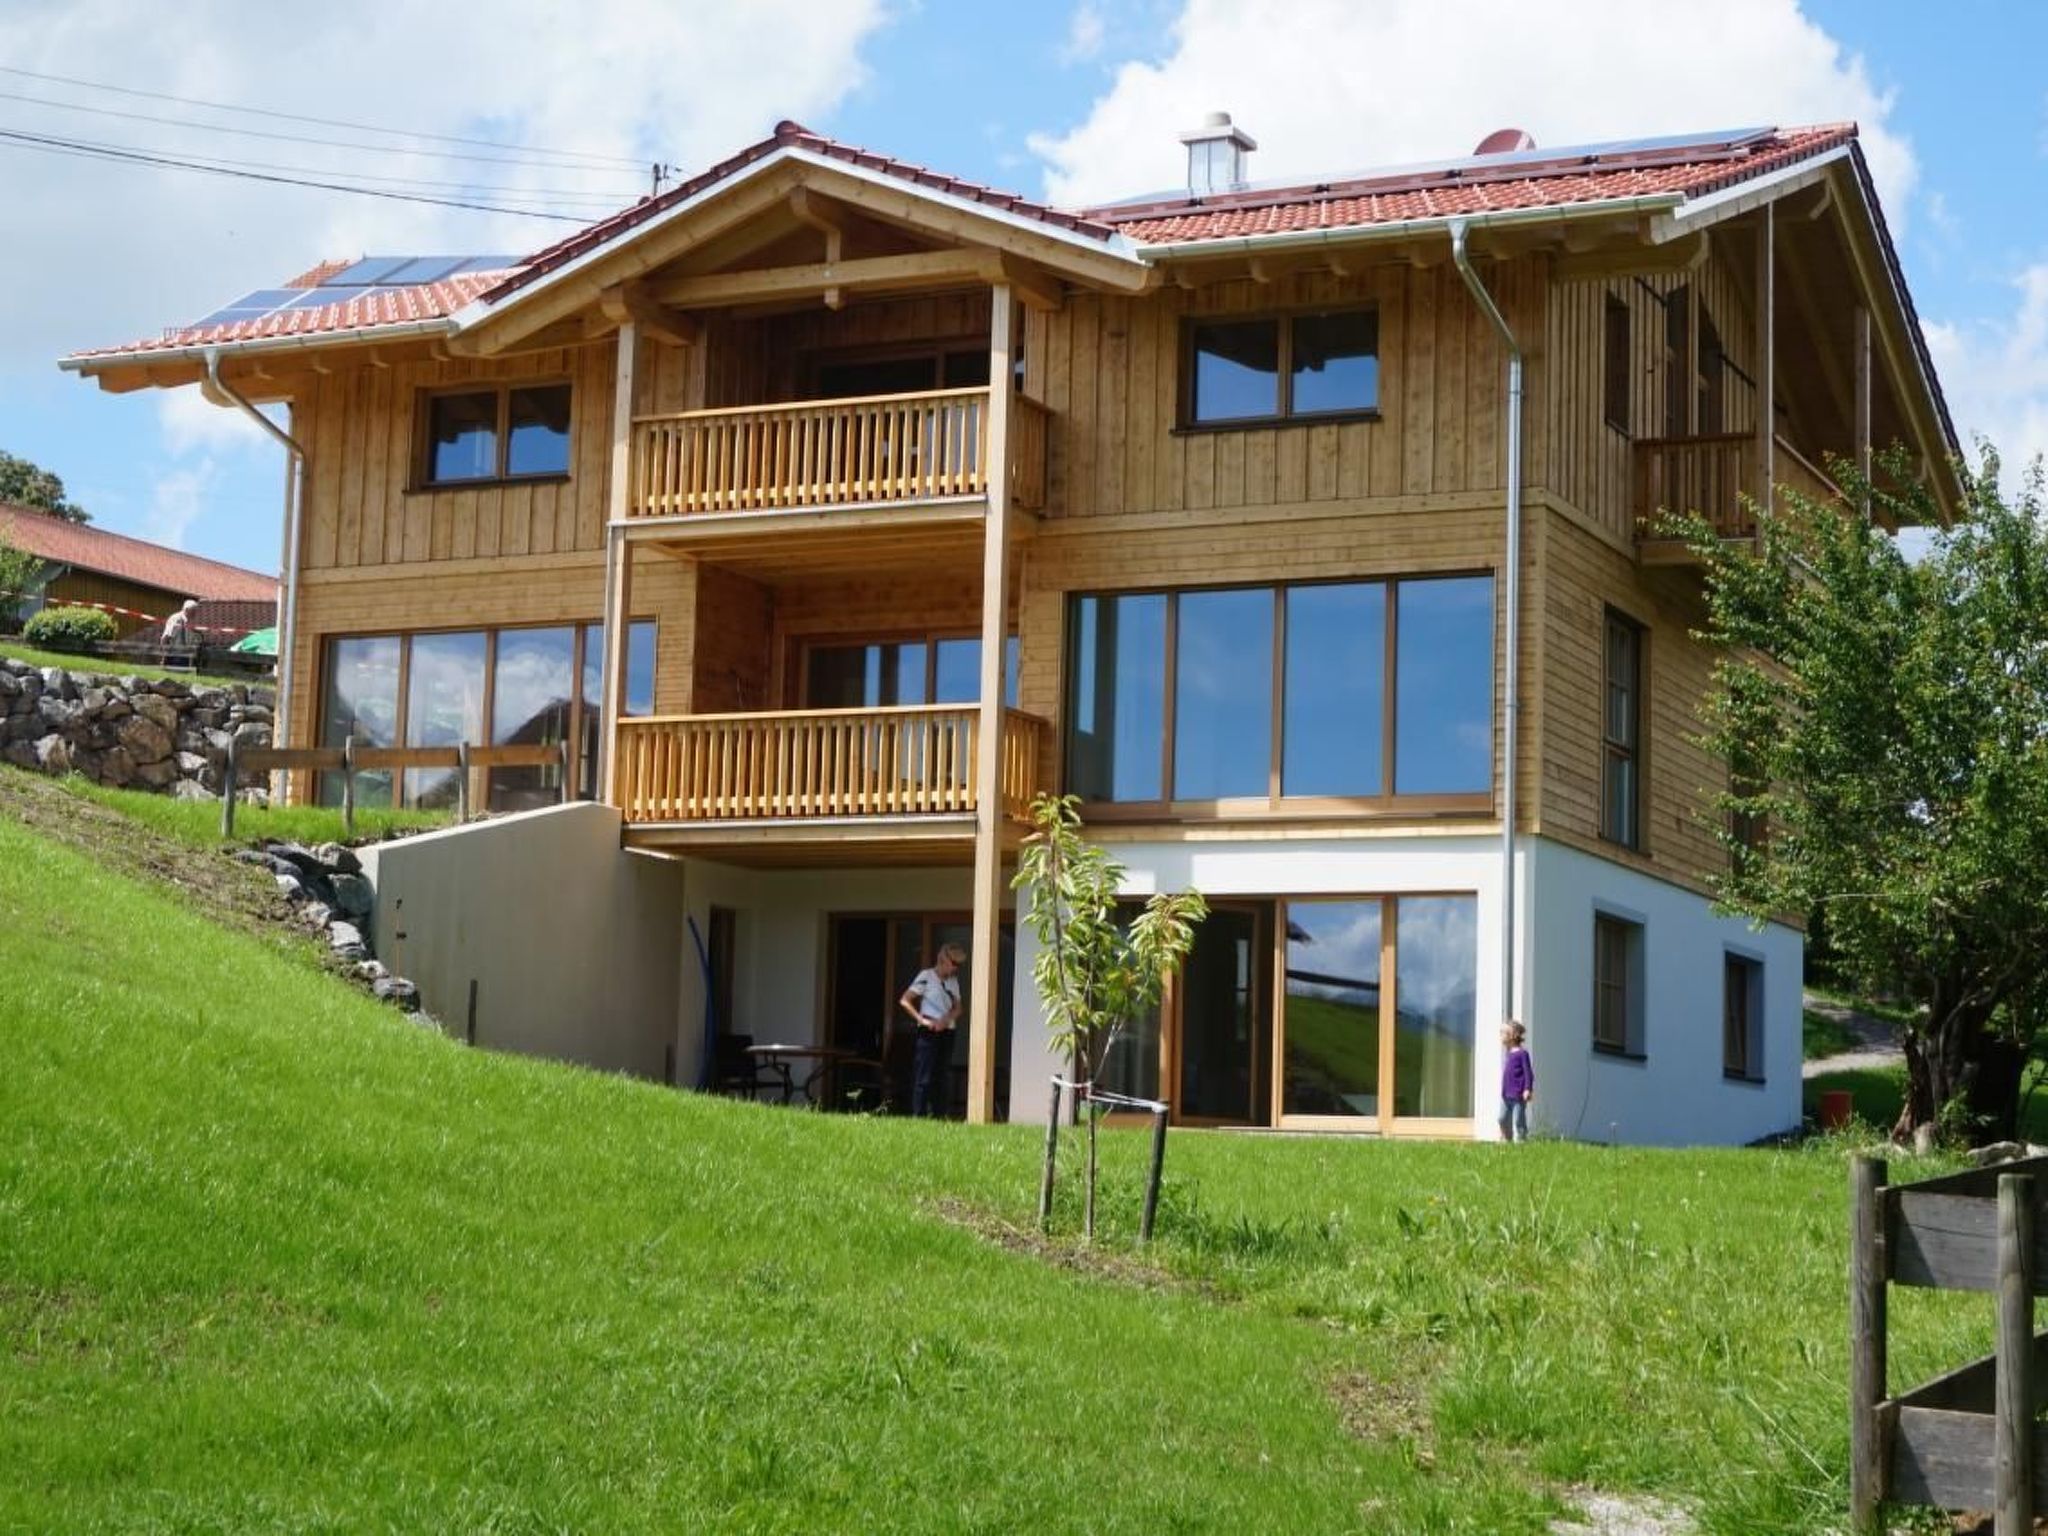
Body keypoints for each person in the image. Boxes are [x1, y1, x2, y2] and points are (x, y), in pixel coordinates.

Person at [899, 942, 964, 1118]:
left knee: (942, 1075)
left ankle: (940, 1116)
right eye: (954, 963)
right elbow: (905, 1000)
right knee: (923, 1076)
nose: (955, 968)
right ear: (943, 959)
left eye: (958, 965)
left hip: (947, 1031)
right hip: (928, 1032)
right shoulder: (926, 976)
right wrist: (921, 1019)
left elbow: (958, 1008)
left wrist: (946, 1019)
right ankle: (918, 1116)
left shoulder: (953, 981)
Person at [1498, 1021, 1534, 1142]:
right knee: (1502, 1118)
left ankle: (1522, 1140)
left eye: (1503, 1033)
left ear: (1512, 1035)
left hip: (1518, 1095)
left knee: (1519, 1120)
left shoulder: (1522, 1054)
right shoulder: (1508, 1054)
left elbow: (1528, 1073)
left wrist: (1528, 1089)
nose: (1501, 1036)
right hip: (1506, 1095)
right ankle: (1507, 1139)